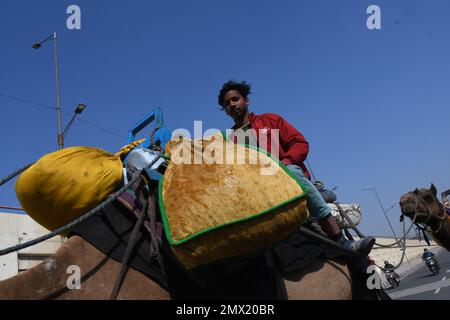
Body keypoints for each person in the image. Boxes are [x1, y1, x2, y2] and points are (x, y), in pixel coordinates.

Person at [217, 80, 375, 255]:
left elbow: (299, 143)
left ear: (246, 101)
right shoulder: (229, 140)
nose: (231, 104)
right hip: (258, 190)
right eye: (226, 104)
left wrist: (285, 163)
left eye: (235, 99)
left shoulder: (271, 120)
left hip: (287, 177)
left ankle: (340, 240)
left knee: (291, 172)